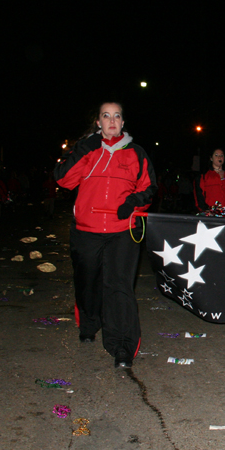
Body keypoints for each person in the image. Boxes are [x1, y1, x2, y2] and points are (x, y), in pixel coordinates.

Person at [54, 102, 156, 369]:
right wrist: (81, 150)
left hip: (121, 231)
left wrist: (133, 202)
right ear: (98, 122)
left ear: (123, 122)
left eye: (117, 115)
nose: (112, 120)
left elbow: (149, 188)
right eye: (106, 116)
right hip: (86, 231)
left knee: (119, 287)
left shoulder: (136, 152)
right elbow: (63, 179)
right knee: (87, 283)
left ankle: (121, 346)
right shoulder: (86, 149)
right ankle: (89, 321)